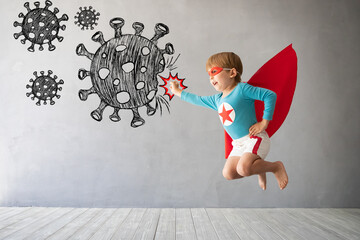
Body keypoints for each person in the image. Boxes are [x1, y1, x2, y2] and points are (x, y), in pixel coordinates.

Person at [169, 52, 288, 190]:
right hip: (238, 144)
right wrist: (178, 92)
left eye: (214, 71)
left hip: (254, 138)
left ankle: (275, 167)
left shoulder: (242, 89)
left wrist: (264, 122)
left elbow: (269, 95)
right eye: (209, 74)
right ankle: (259, 168)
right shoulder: (217, 100)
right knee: (229, 173)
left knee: (244, 169)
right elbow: (197, 99)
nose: (211, 77)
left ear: (232, 73)